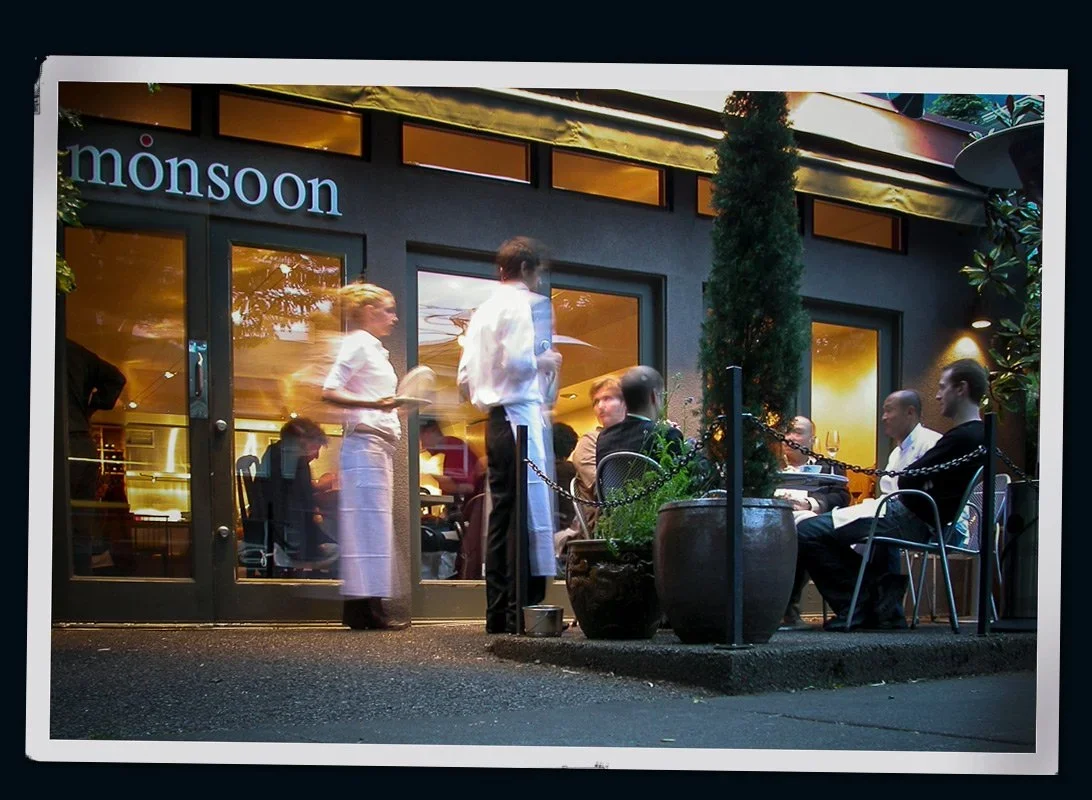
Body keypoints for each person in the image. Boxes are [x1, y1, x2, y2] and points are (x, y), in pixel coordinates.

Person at [796, 359, 988, 631]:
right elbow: (916, 476)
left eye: (942, 387)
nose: (936, 395)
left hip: (911, 518)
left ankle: (858, 604)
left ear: (962, 389)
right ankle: (877, 601)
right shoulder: (976, 436)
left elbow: (909, 477)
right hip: (920, 518)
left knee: (806, 531)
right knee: (821, 531)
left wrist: (920, 482)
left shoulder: (962, 437)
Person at [457, 236, 563, 635]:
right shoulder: (521, 305)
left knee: (501, 515)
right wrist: (545, 359)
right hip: (519, 418)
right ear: (526, 269)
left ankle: (498, 613)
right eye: (539, 272)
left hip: (494, 419)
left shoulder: (482, 311)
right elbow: (519, 363)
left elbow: (465, 378)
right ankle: (525, 611)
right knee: (526, 513)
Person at [322, 282, 411, 631]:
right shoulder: (359, 344)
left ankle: (364, 609)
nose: (394, 317)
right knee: (369, 527)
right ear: (369, 311)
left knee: (370, 527)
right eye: (388, 310)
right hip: (366, 446)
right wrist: (375, 405)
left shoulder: (372, 349)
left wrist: (390, 409)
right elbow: (330, 389)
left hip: (375, 445)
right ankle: (368, 611)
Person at [777, 415, 850, 630]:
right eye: (787, 431)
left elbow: (841, 497)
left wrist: (808, 504)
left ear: (812, 440)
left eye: (798, 432)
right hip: (771, 524)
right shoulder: (767, 467)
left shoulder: (829, 467)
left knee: (803, 529)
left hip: (806, 524)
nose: (790, 437)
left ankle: (789, 609)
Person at [66, 339, 126, 575]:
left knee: (52, 523)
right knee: (81, 529)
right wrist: (90, 407)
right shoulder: (77, 352)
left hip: (60, 441)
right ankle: (80, 586)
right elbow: (117, 379)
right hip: (83, 445)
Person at [554, 377, 628, 563]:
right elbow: (607, 491)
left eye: (608, 398)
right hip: (605, 526)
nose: (600, 406)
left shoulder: (643, 435)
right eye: (596, 401)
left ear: (626, 403)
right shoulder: (590, 442)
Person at [253, 417, 339, 570]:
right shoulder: (297, 460)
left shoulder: (273, 453)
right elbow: (305, 509)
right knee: (342, 551)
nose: (316, 455)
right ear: (302, 439)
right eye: (316, 447)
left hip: (271, 538)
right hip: (289, 544)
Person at [595, 366, 684, 467]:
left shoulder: (604, 438)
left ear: (624, 399)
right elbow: (684, 478)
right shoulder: (668, 434)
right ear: (654, 396)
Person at [879, 390, 943, 497]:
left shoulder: (932, 444)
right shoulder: (896, 453)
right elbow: (888, 495)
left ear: (910, 412)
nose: (884, 417)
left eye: (889, 411)